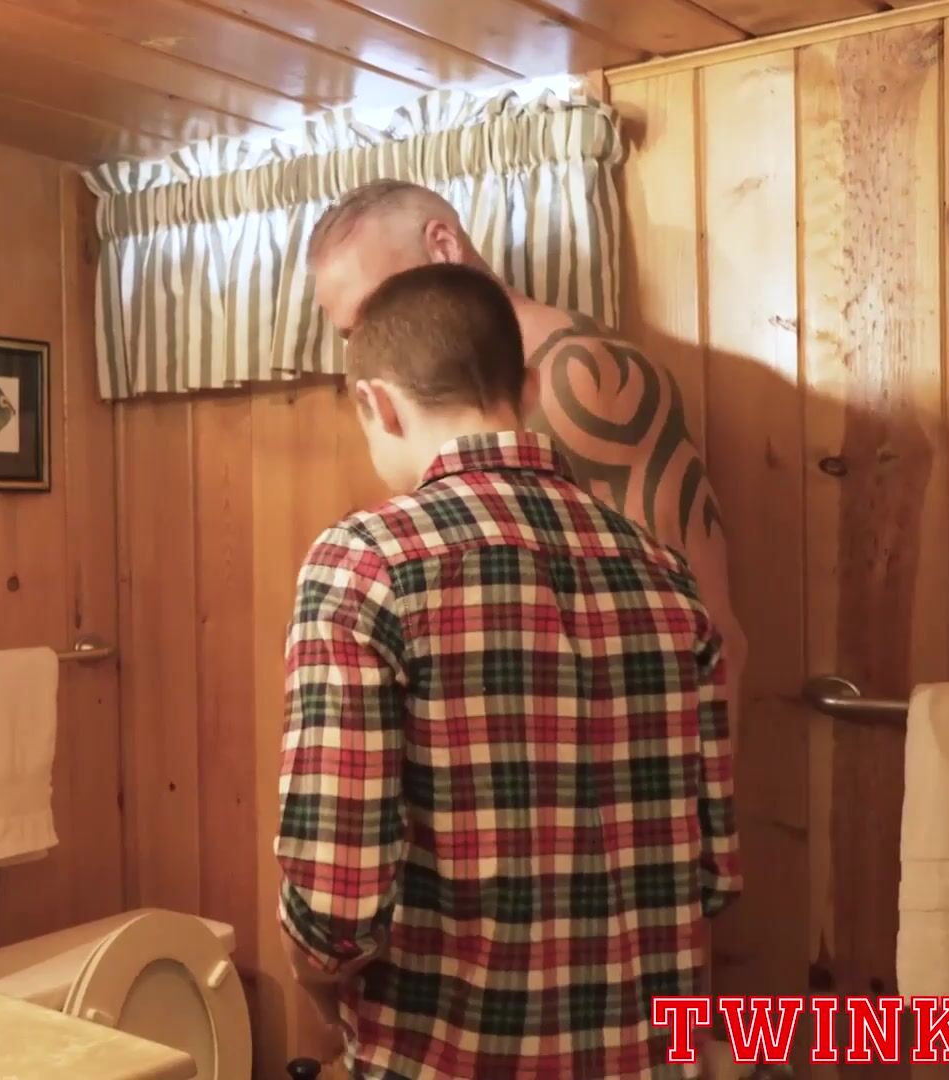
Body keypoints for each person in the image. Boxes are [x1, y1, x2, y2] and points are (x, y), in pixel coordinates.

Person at [275, 263, 740, 1079]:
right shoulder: (665, 572)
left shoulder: (366, 562)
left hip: (446, 1058)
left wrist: (319, 991)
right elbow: (711, 874)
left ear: (377, 404)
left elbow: (334, 912)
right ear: (525, 390)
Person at [307, 179, 747, 727]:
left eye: (374, 310)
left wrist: (701, 787)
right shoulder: (419, 412)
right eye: (350, 334)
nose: (366, 347)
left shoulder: (584, 379)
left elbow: (707, 636)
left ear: (443, 246)